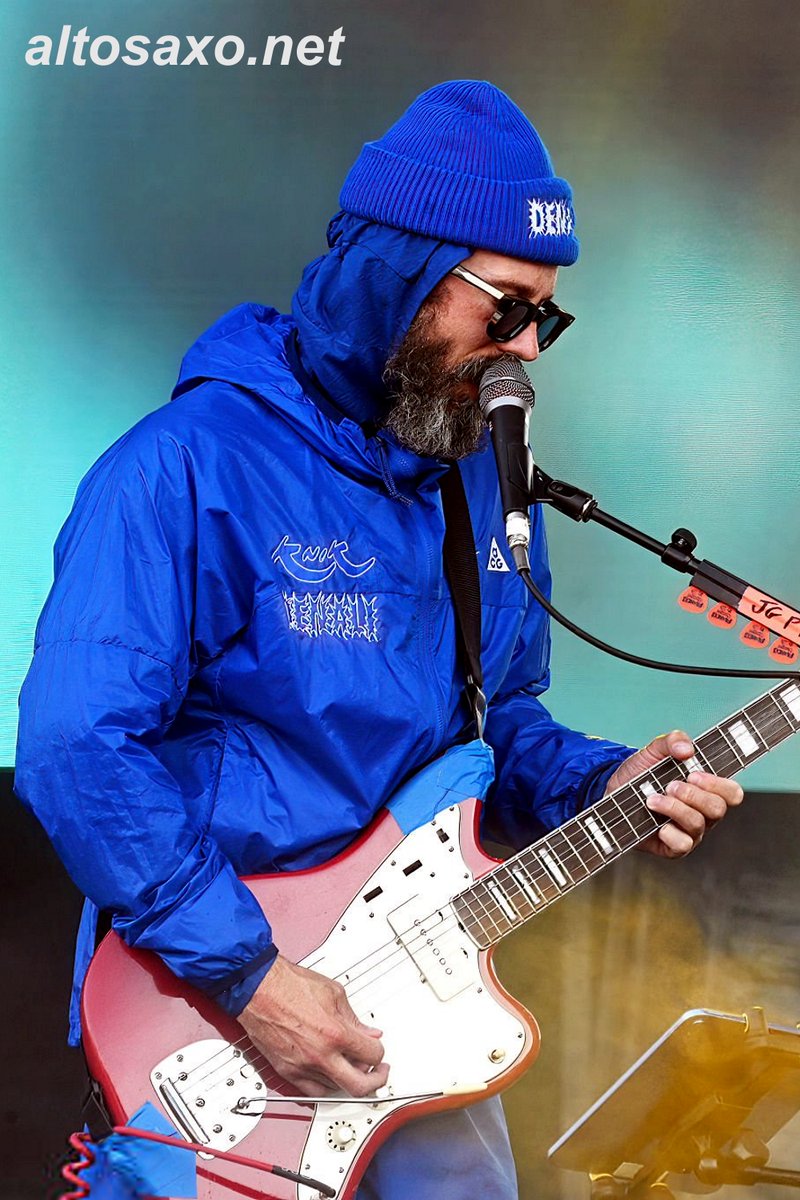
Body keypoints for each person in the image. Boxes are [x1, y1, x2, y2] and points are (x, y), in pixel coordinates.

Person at [15, 80, 743, 1199]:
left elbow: (499, 732)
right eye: (501, 308)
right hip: (218, 1016)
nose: (523, 352)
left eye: (543, 317)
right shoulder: (182, 464)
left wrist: (607, 783)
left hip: (414, 1018)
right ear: (393, 273)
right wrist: (253, 977)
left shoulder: (482, 492)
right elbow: (78, 748)